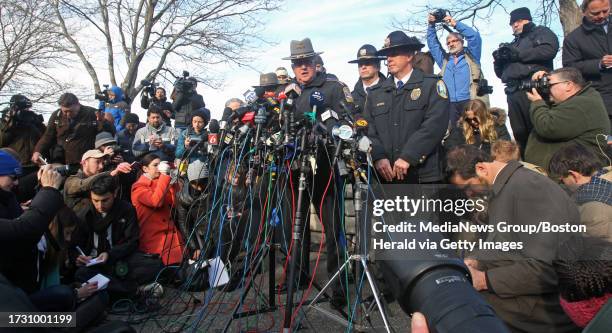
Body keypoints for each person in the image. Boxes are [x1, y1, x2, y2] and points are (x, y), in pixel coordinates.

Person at [446, 145, 579, 332]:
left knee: (462, 311)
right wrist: (475, 261)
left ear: (482, 169)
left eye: (468, 186)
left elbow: (549, 269)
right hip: (528, 289)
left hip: (548, 306)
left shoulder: (529, 188)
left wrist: (484, 279)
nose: (469, 194)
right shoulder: (506, 187)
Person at [280, 38, 356, 305]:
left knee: (333, 229)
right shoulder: (288, 92)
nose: (302, 67)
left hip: (324, 166)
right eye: (297, 63)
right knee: (294, 226)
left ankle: (339, 287)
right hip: (295, 168)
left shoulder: (333, 87)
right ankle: (296, 276)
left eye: (306, 62)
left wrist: (328, 125)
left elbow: (349, 121)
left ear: (316, 63)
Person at [364, 30, 449, 184]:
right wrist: (378, 156)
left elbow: (435, 125)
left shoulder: (431, 85)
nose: (389, 59)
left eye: (394, 54)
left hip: (422, 175)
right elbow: (369, 129)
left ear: (409, 56)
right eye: (387, 55)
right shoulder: (376, 93)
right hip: (387, 177)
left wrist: (409, 155)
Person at [70, 175, 162, 298]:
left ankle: (112, 288)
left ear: (115, 193)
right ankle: (134, 291)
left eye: (105, 200)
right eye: (95, 201)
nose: (100, 206)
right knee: (81, 274)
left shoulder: (126, 209)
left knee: (155, 266)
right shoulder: (84, 214)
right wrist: (78, 257)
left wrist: (110, 254)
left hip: (119, 259)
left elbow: (133, 241)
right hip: (94, 264)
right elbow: (74, 246)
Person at [493, 7, 559, 156]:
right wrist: (498, 61)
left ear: (527, 19)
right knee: (520, 134)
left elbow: (549, 50)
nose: (515, 25)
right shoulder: (513, 44)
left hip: (533, 89)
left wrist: (518, 55)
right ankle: (528, 166)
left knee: (539, 130)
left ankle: (548, 165)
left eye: (518, 21)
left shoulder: (540, 32)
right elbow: (501, 74)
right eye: (512, 23)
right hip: (513, 92)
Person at [524, 67, 610, 169]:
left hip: (571, 176)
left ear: (568, 85)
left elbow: (547, 127)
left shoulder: (582, 104)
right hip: (561, 174)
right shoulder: (576, 100)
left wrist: (537, 103)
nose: (547, 89)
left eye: (549, 85)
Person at [32, 93, 115, 172]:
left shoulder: (92, 114)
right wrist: (38, 151)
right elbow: (48, 136)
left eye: (70, 111)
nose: (68, 114)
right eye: (65, 111)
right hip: (60, 160)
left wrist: (103, 121)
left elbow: (110, 133)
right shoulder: (56, 115)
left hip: (83, 161)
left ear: (77, 104)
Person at [427, 12, 485, 125]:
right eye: (448, 43)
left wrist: (454, 23)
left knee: (474, 135)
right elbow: (433, 45)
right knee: (454, 137)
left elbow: (474, 37)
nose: (451, 44)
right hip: (450, 104)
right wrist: (431, 26)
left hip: (470, 102)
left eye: (454, 41)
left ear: (462, 42)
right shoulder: (444, 61)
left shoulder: (472, 56)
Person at [548, 143, 612, 242]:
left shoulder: (590, 208)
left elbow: (595, 251)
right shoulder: (606, 177)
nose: (563, 185)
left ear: (574, 175)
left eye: (562, 180)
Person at [562, 0, 612, 126]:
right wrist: (599, 64)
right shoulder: (573, 39)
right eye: (595, 13)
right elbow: (570, 69)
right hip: (602, 99)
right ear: (584, 12)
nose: (601, 16)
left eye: (605, 11)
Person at [131, 153, 184, 266]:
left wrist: (174, 178)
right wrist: (164, 176)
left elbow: (176, 203)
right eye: (155, 165)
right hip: (156, 243)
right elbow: (156, 202)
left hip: (173, 240)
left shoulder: (160, 182)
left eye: (160, 164)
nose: (159, 168)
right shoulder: (138, 187)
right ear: (145, 169)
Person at [64, 149, 132, 219]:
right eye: (97, 162)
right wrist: (112, 173)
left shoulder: (102, 179)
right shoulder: (71, 181)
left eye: (102, 163)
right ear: (84, 163)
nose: (101, 166)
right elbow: (83, 184)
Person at [445, 99, 511, 152]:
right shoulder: (461, 127)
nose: (472, 122)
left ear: (483, 116)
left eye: (475, 118)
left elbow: (506, 147)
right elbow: (450, 145)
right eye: (469, 119)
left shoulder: (497, 125)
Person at [348, 44, 387, 114]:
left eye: (367, 63)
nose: (363, 67)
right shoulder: (352, 98)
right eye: (360, 64)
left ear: (378, 66)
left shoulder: (390, 90)